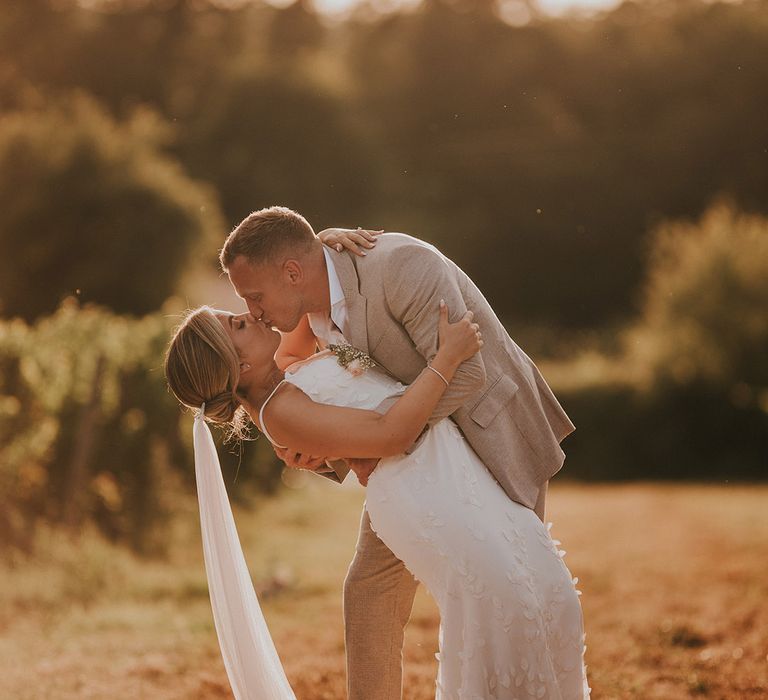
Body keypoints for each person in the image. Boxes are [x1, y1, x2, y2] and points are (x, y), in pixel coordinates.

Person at [217, 206, 584, 699]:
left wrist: (386, 437)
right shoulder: (312, 299)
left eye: (254, 296)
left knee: (515, 598)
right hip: (417, 470)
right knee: (369, 593)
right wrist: (338, 447)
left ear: (291, 272)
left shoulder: (403, 266)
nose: (253, 310)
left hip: (491, 434)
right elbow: (311, 387)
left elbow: (468, 374)